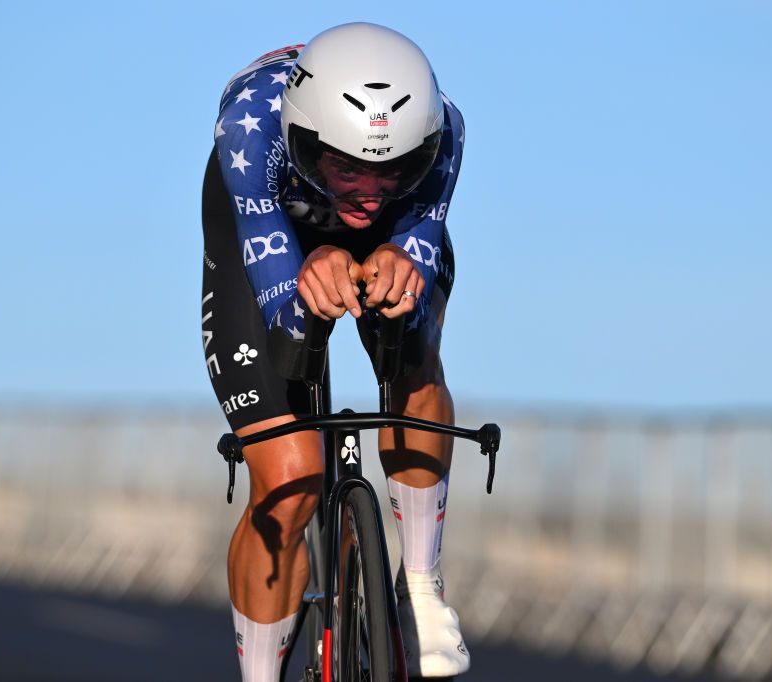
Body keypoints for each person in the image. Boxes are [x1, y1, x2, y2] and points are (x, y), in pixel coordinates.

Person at [200, 22, 466, 681]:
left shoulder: (448, 133)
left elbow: (419, 232)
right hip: (271, 229)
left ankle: (424, 589)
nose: (371, 187)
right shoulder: (248, 130)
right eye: (347, 165)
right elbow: (283, 315)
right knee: (289, 482)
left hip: (390, 235)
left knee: (414, 358)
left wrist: (400, 261)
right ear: (304, 142)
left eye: (395, 166)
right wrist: (306, 277)